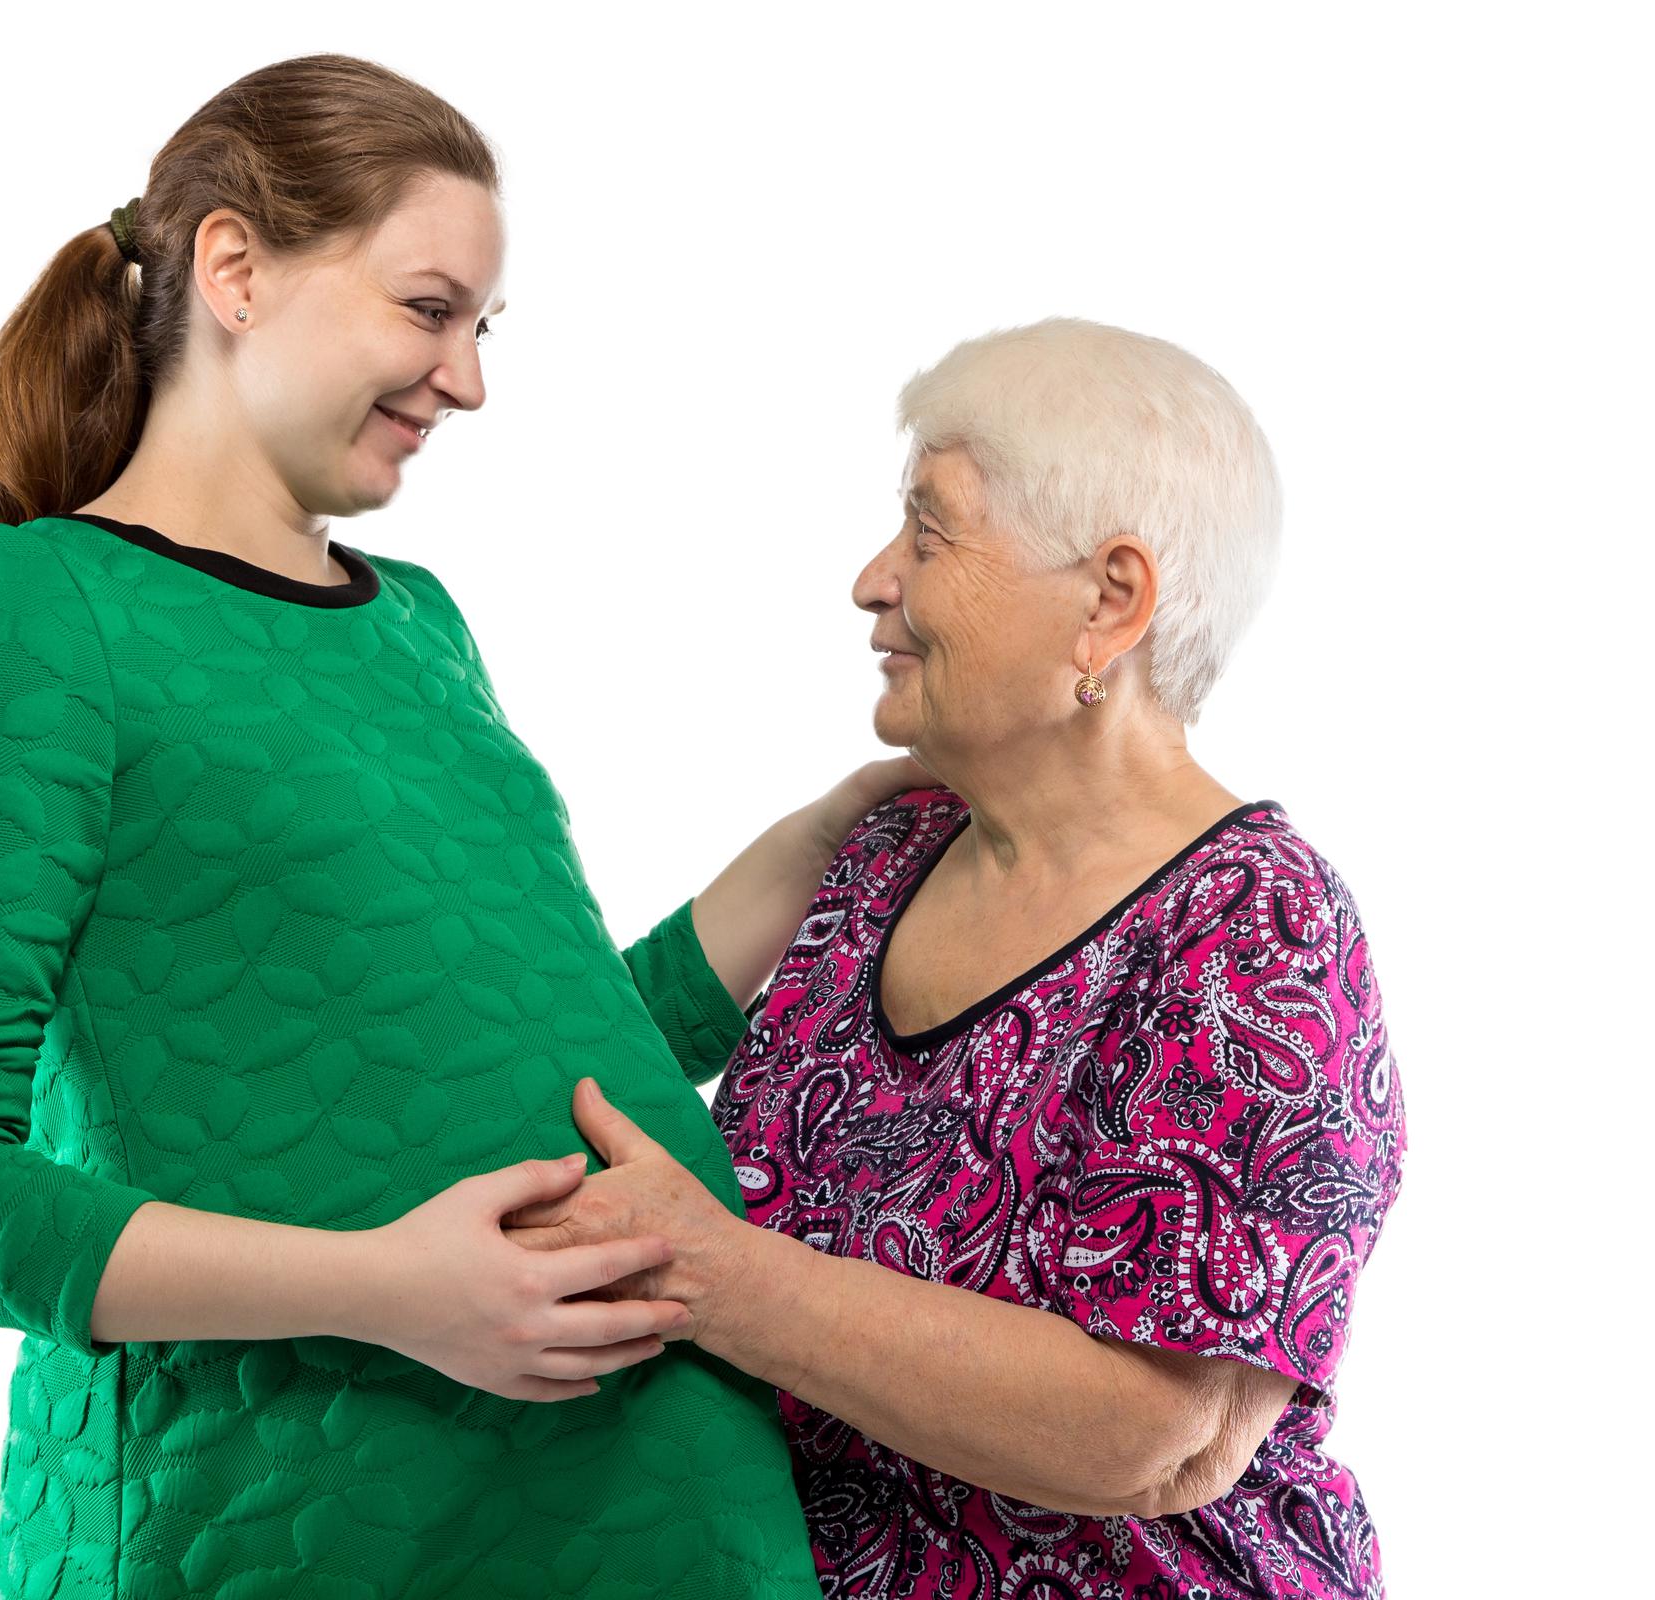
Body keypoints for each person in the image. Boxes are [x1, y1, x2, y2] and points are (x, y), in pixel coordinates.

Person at [0, 53, 914, 1599]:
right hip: (302, 1522)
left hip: (652, 1506)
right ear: (235, 270)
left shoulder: (418, 623)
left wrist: (830, 838)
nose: (467, 380)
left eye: (481, 329)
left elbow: (567, 1042)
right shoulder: (35, 608)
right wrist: (386, 1291)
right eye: (428, 310)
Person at [502, 318, 1409, 1598]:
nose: (875, 579)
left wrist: (714, 1272)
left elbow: (1161, 1434)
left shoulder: (1255, 930)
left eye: (931, 532)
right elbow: (616, 1039)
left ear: (1111, 600)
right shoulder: (886, 853)